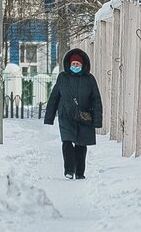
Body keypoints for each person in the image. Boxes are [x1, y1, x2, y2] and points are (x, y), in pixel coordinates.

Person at [44, 48, 104, 180]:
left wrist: (97, 120)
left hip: (84, 116)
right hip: (66, 117)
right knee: (67, 142)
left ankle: (80, 172)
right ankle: (69, 170)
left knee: (81, 145)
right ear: (69, 64)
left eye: (77, 64)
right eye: (73, 64)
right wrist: (49, 117)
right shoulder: (63, 78)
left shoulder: (89, 79)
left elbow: (96, 100)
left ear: (82, 65)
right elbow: (54, 97)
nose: (75, 66)